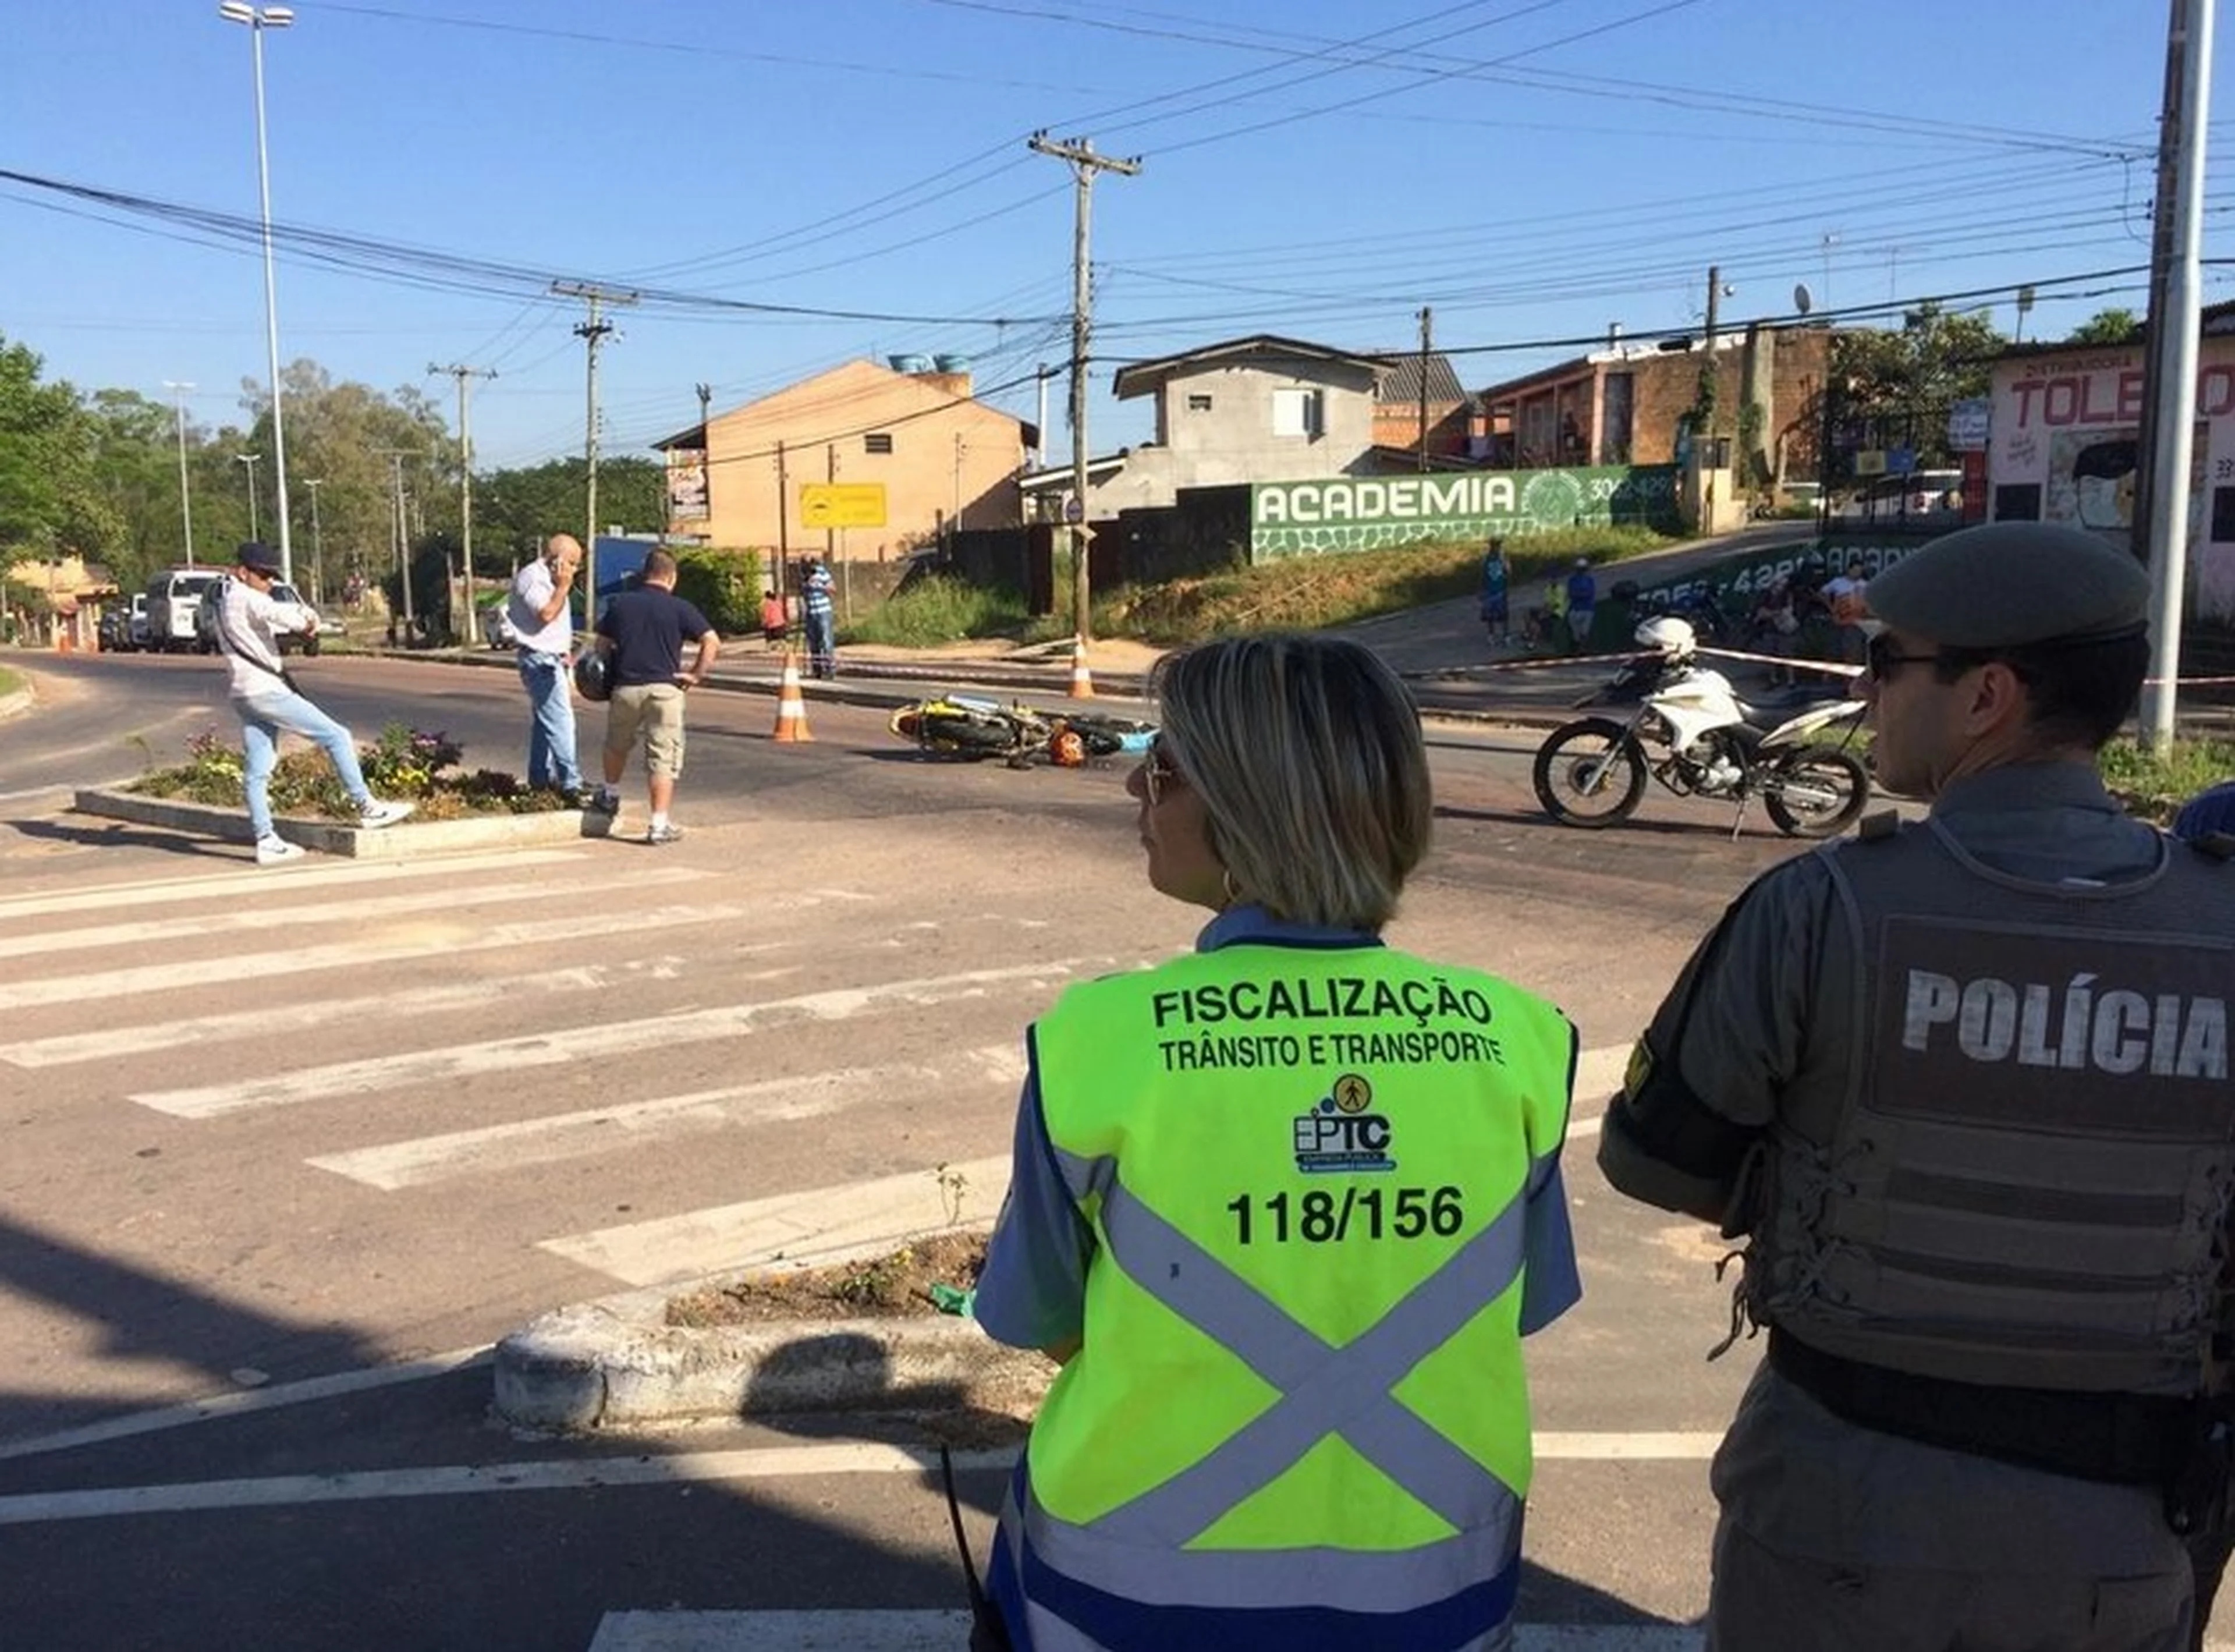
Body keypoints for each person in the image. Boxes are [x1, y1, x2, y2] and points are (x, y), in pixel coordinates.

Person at [1596, 520, 2235, 1652]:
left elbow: (1653, 1156)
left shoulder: (1822, 908)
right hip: (2117, 1543)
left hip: (1843, 1520)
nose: (1866, 689)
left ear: (1988, 695)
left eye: (1889, 664)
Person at [973, 632, 1583, 1651]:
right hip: (1436, 1592)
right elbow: (1524, 1306)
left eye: (1162, 766)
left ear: (1246, 806)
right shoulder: (1516, 1038)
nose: (1134, 785)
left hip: (1122, 1598)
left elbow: (1034, 1313)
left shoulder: (1100, 1040)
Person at [207, 542, 411, 866]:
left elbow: (266, 625)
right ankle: (367, 807)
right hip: (265, 691)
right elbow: (278, 613)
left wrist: (297, 625)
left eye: (272, 575)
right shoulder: (246, 597)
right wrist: (306, 617)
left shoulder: (224, 603)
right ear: (242, 572)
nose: (269, 581)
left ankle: (266, 840)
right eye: (263, 575)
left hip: (243, 693)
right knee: (336, 736)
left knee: (258, 768)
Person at [587, 548, 719, 845]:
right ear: (671, 578)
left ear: (645, 574)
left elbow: (601, 646)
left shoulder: (621, 605)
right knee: (662, 756)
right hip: (665, 690)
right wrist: (695, 674)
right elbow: (711, 641)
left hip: (626, 688)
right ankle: (658, 824)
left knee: (617, 745)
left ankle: (610, 794)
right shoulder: (680, 608)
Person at [503, 533, 587, 803]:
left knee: (545, 723)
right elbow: (546, 614)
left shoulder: (552, 580)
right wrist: (563, 587)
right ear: (558, 560)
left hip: (554, 659)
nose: (575, 571)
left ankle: (539, 779)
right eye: (573, 564)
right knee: (561, 721)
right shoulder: (533, 578)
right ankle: (571, 782)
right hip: (539, 660)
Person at [1747, 573, 1802, 687]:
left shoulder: (1787, 595)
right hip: (1769, 629)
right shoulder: (1765, 595)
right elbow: (1760, 613)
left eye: (1784, 584)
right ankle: (1773, 679)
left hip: (1784, 629)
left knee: (1787, 655)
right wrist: (1776, 613)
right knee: (1770, 656)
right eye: (1780, 584)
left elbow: (1788, 611)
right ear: (1774, 583)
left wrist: (1771, 613)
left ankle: (1791, 680)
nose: (1782, 586)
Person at [801, 560, 837, 679]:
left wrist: (820, 586)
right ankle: (817, 669)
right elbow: (804, 594)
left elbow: (833, 589)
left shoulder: (822, 573)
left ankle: (830, 669)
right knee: (814, 643)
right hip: (811, 613)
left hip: (823, 612)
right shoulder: (804, 577)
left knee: (826, 641)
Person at [1478, 537, 1512, 646]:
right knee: (1490, 616)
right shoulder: (1486, 559)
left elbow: (1508, 573)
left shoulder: (1503, 559)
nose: (1496, 549)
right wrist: (1481, 590)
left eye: (1498, 546)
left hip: (1500, 590)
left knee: (1504, 615)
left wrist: (1507, 588)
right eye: (1494, 546)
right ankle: (1491, 635)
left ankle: (1506, 635)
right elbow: (1482, 575)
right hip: (1489, 591)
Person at [1564, 555, 1597, 653]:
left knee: (1584, 632)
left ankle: (1583, 649)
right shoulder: (1572, 580)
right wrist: (1580, 595)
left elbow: (1590, 593)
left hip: (1587, 609)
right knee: (1576, 633)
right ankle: (1577, 649)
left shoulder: (1589, 580)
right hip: (1575, 609)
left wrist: (1579, 595)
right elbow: (1571, 594)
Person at [760, 587, 788, 651]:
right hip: (781, 622)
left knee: (770, 636)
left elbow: (766, 614)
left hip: (772, 623)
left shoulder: (767, 603)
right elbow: (783, 610)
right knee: (781, 637)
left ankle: (769, 647)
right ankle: (784, 646)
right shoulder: (778, 602)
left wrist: (764, 622)